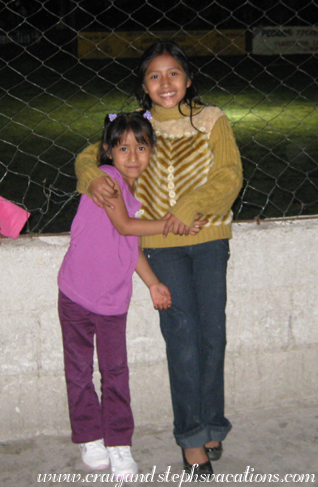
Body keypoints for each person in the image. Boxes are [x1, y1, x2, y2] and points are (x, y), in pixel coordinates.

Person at [75, 41, 243, 478]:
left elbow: (229, 174)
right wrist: (92, 178)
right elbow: (89, 156)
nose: (165, 83)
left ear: (188, 79)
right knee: (183, 338)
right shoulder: (139, 126)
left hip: (208, 239)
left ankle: (213, 424)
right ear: (144, 85)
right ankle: (191, 439)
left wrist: (193, 206)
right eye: (154, 75)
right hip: (160, 246)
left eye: (173, 74)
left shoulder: (211, 120)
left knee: (214, 337)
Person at [58, 112, 202, 481]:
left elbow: (129, 243)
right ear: (107, 151)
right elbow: (124, 225)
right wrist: (174, 224)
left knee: (115, 373)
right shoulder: (105, 181)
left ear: (152, 151)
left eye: (141, 147)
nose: (133, 156)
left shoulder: (131, 195)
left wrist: (152, 283)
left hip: (111, 302)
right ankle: (89, 435)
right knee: (78, 371)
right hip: (75, 294)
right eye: (123, 148)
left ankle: (118, 443)